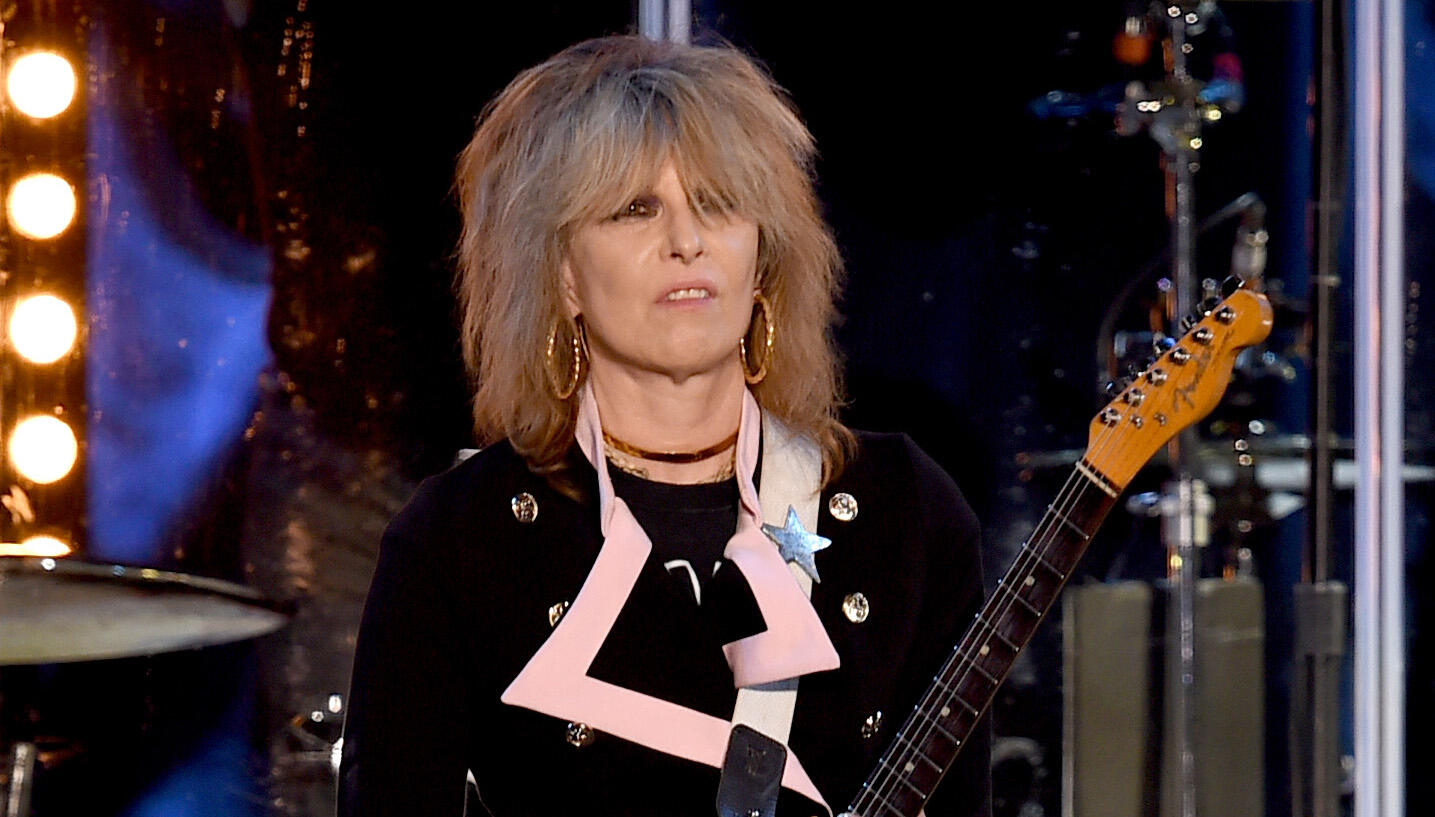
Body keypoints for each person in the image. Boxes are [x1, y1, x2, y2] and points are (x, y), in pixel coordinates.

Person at [338, 34, 990, 817]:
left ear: (762, 258)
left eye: (716, 203)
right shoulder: (458, 539)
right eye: (633, 210)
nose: (687, 242)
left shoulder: (904, 512)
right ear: (561, 274)